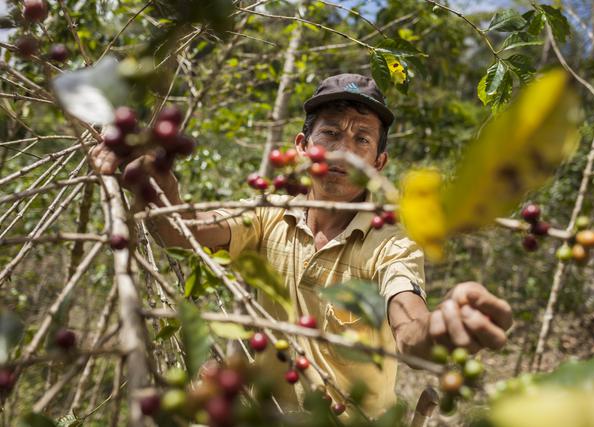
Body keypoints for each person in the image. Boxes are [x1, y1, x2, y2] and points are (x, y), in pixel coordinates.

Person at [90, 73, 512, 416]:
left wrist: (435, 332)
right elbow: (185, 233)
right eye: (329, 133)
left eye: (361, 139)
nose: (342, 151)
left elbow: (408, 326)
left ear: (378, 163)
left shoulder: (391, 242)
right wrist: (160, 184)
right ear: (301, 146)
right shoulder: (270, 211)